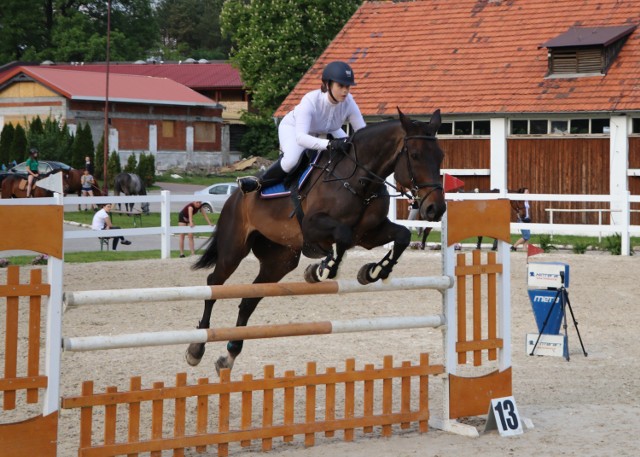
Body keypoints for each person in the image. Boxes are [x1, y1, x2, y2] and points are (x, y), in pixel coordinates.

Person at [237, 61, 366, 193]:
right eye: (341, 86)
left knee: (351, 150)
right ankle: (258, 182)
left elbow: (363, 132)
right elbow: (301, 138)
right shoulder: (310, 100)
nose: (345, 91)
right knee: (291, 160)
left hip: (326, 130)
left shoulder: (349, 101)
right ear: (327, 84)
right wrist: (329, 144)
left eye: (348, 87)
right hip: (294, 129)